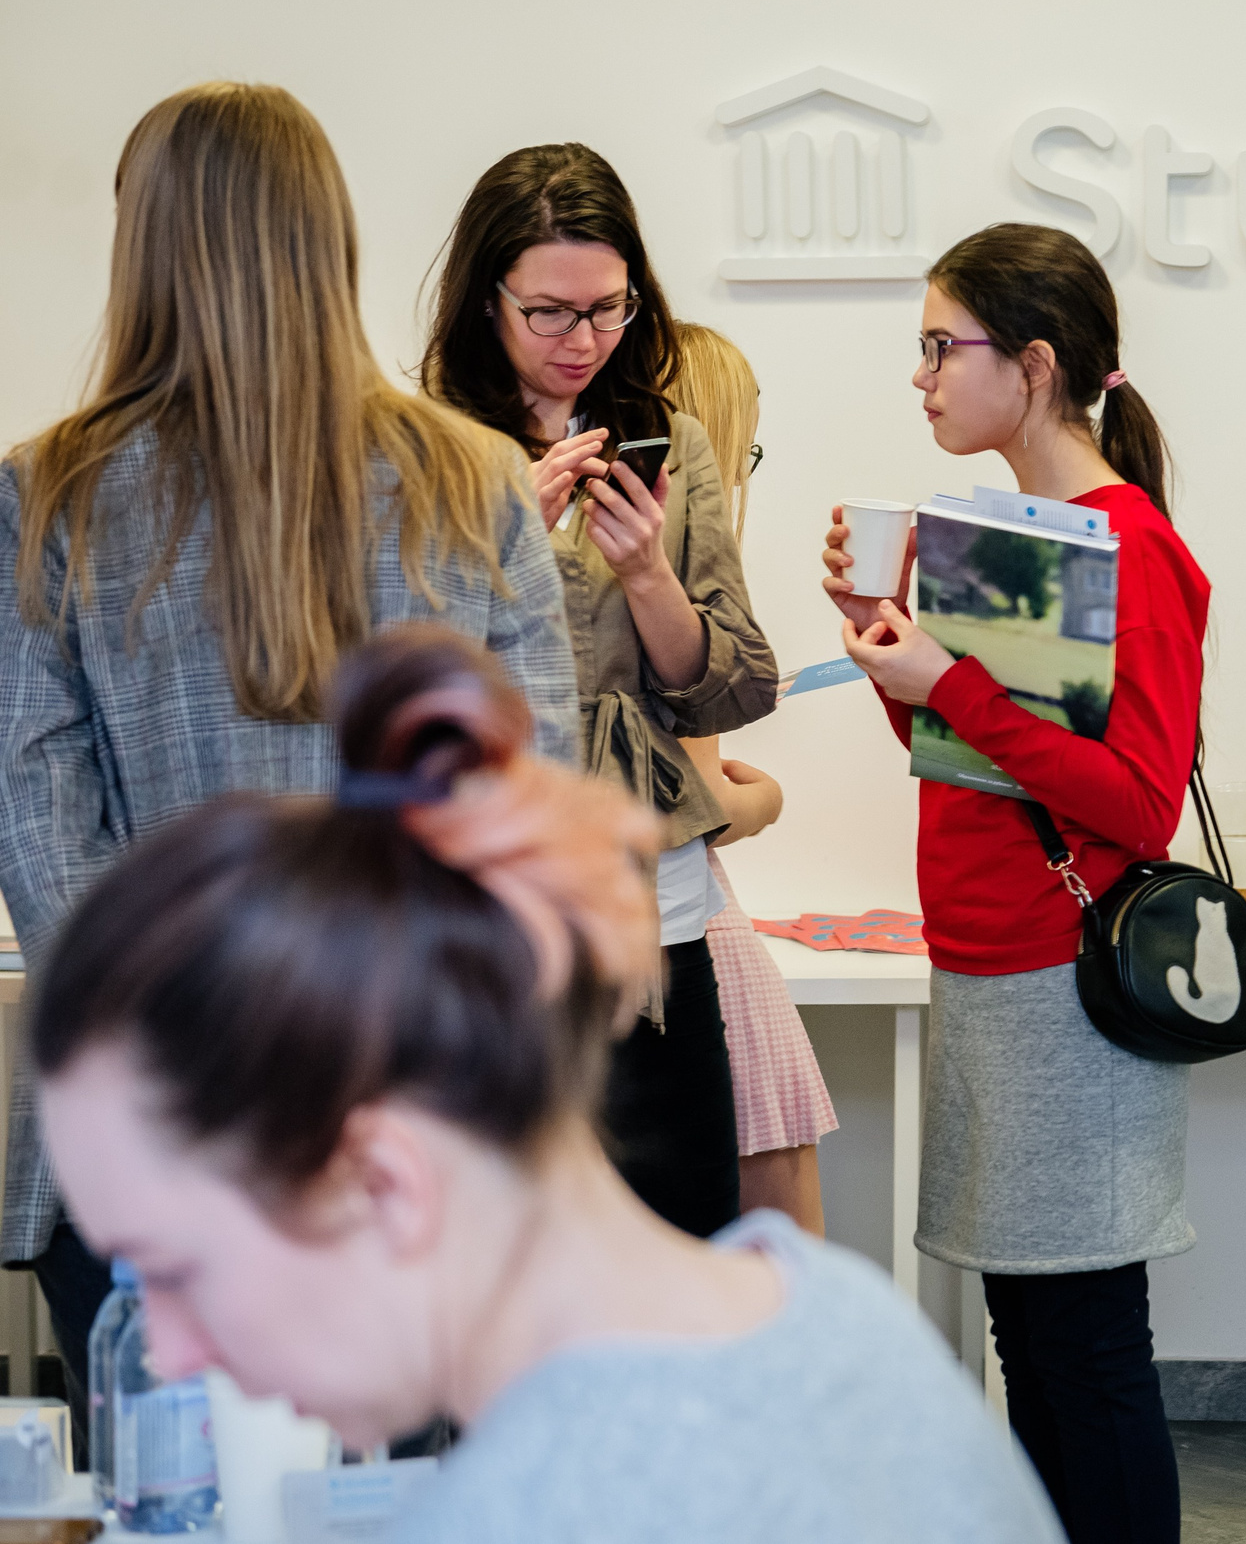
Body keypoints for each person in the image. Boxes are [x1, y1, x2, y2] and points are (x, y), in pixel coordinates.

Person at [30, 628, 1063, 1544]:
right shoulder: (846, 1321)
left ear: (383, 1176)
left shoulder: (526, 1510)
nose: (163, 1341)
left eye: (177, 1265)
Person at [0, 83, 577, 1445]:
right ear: (335, 238)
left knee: (173, 1497)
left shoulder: (49, 495)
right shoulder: (479, 477)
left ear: (145, 245)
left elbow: (42, 840)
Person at [820, 223, 1206, 1544]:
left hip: (1068, 993)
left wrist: (953, 682)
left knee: (1086, 1355)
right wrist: (891, 661)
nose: (923, 376)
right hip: (989, 975)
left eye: (944, 346)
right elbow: (975, 764)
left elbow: (1140, 803)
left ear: (1033, 366)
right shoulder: (999, 537)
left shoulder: (1128, 545)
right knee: (1031, 1343)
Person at [422, 145, 778, 1240]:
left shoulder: (671, 440)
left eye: (608, 309)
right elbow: (380, 683)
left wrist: (648, 574)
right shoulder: (423, 448)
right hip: (485, 912)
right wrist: (499, 535)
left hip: (652, 902)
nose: (583, 342)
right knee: (507, 1253)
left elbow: (735, 684)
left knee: (683, 1234)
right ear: (486, 301)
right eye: (549, 313)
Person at [669, 319, 837, 1233]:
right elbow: (703, 810)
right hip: (709, 937)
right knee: (784, 1269)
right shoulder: (682, 590)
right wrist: (764, 797)